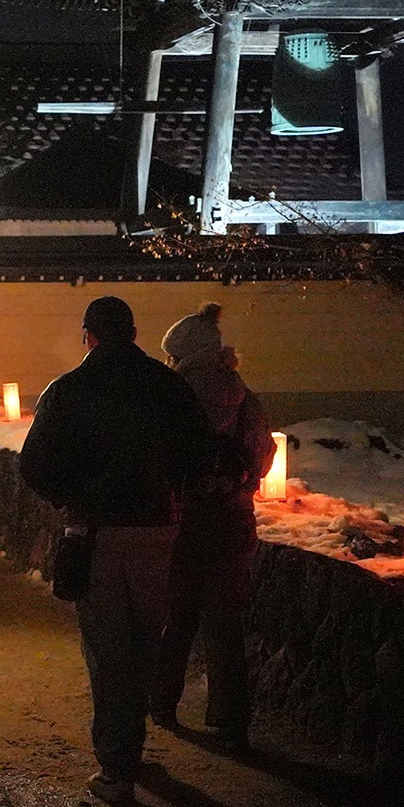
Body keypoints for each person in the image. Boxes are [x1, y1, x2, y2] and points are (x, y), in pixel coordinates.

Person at [20, 295, 209, 807]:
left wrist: (75, 497)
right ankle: (133, 745)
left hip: (98, 532)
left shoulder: (69, 390)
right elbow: (198, 452)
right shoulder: (166, 385)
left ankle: (117, 765)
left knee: (106, 647)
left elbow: (34, 464)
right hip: (159, 527)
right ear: (133, 332)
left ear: (89, 335)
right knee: (147, 638)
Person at [151, 302, 273, 749]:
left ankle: (162, 703)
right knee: (225, 622)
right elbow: (262, 457)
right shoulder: (246, 398)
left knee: (174, 617)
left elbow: (157, 458)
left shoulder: (169, 398)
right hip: (232, 520)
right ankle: (228, 719)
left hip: (181, 519)